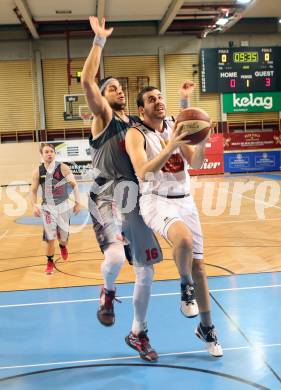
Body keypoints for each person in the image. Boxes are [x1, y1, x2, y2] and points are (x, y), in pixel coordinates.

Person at [81, 16, 164, 362]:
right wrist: (99, 41)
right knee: (115, 256)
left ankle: (138, 332)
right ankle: (108, 290)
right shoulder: (103, 117)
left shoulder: (135, 124)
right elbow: (87, 79)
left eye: (119, 87)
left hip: (135, 199)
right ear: (102, 97)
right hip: (105, 195)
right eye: (111, 86)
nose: (117, 89)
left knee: (147, 270)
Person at [125, 83, 223, 357]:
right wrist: (170, 146)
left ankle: (207, 328)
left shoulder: (176, 125)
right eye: (151, 99)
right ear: (141, 109)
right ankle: (184, 284)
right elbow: (143, 171)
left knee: (201, 268)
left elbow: (197, 164)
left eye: (160, 97)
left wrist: (202, 141)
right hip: (155, 198)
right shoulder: (136, 134)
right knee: (183, 240)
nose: (158, 102)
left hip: (185, 199)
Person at [30, 143, 81, 274]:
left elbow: (74, 185)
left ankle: (63, 245)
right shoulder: (38, 171)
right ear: (42, 155)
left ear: (54, 153)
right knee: (50, 237)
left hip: (63, 206)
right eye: (46, 152)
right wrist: (34, 205)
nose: (49, 154)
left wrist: (77, 203)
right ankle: (49, 261)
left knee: (63, 238)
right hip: (47, 208)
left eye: (51, 151)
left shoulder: (63, 168)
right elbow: (33, 190)